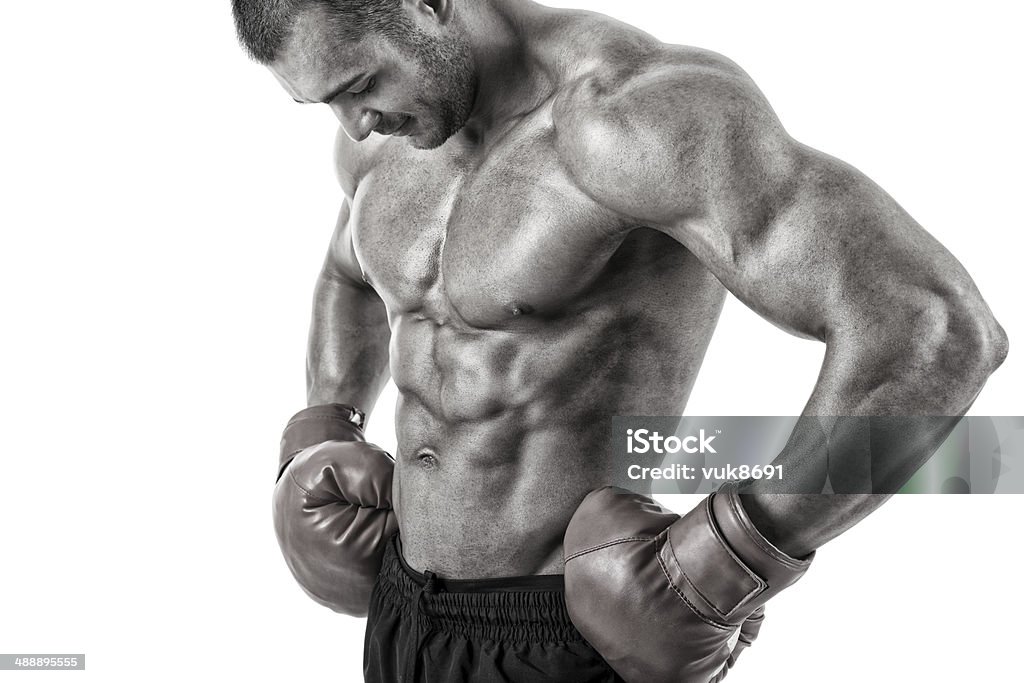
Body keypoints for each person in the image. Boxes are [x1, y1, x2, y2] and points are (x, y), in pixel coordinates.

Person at [232, 1, 1008, 681]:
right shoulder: (383, 142)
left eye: (361, 86)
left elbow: (930, 330)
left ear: (427, 4)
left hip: (571, 637)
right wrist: (321, 425)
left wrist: (735, 553)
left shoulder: (636, 120)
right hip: (402, 615)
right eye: (325, 103)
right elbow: (351, 274)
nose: (356, 125)